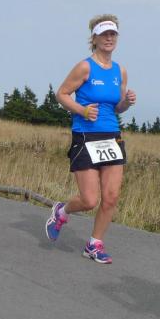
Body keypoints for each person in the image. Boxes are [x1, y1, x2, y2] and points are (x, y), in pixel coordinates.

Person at [45, 14, 137, 264]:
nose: (109, 38)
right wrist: (82, 110)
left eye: (113, 34)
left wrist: (126, 103)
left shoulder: (120, 71)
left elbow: (117, 107)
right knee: (89, 200)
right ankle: (61, 211)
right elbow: (62, 94)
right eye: (104, 34)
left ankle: (94, 244)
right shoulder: (85, 67)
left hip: (112, 136)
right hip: (86, 135)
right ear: (94, 39)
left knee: (111, 196)